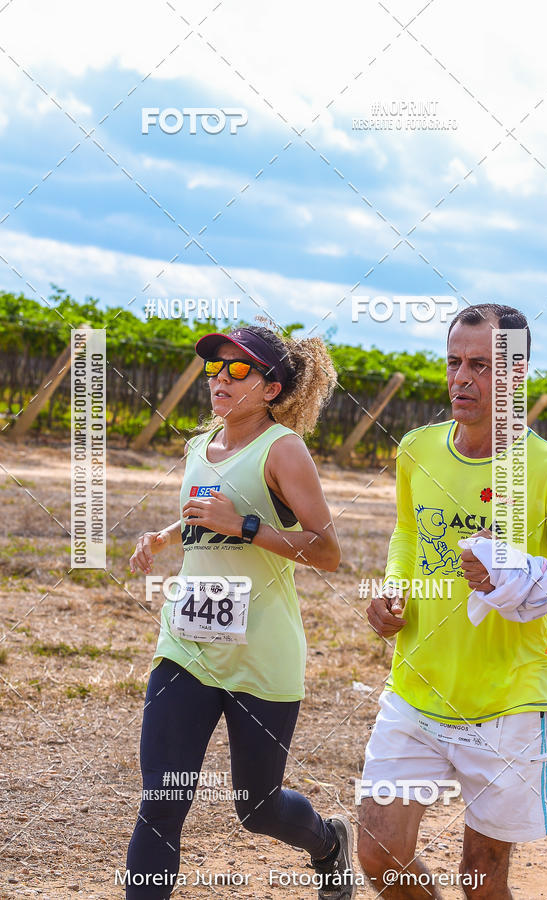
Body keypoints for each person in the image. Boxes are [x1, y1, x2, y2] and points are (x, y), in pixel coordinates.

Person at [357, 304, 547, 898]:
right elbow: (408, 533)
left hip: (506, 703)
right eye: (454, 363)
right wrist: (395, 587)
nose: (461, 378)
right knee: (379, 857)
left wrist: (519, 575)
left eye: (481, 366)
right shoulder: (417, 449)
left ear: (517, 375)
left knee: (481, 882)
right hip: (415, 689)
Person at [126, 324, 356, 899]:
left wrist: (247, 527)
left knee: (257, 808)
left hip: (261, 657)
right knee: (162, 799)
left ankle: (327, 842)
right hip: (187, 646)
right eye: (214, 369)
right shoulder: (199, 447)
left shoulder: (283, 449)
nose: (218, 380)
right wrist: (165, 536)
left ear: (272, 388)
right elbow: (207, 512)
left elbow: (326, 551)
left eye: (237, 370)